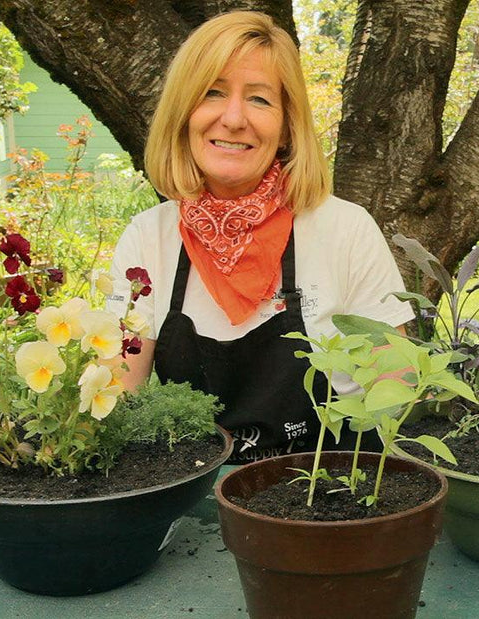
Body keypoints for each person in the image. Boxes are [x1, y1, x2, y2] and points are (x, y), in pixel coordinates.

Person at [107, 11, 413, 463]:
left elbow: (397, 383)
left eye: (260, 100)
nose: (233, 119)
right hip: (197, 496)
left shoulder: (344, 229)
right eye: (212, 93)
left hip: (328, 484)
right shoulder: (147, 239)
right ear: (183, 112)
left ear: (288, 125)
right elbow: (117, 393)